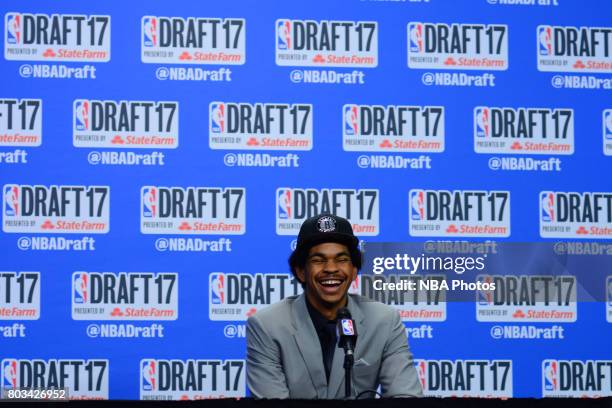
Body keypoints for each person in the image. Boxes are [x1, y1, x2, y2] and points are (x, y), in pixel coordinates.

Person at [246, 213, 423, 399]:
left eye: (341, 259)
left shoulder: (384, 320)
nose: (331, 268)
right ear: (300, 271)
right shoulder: (267, 325)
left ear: (354, 271)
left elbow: (406, 396)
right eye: (318, 260)